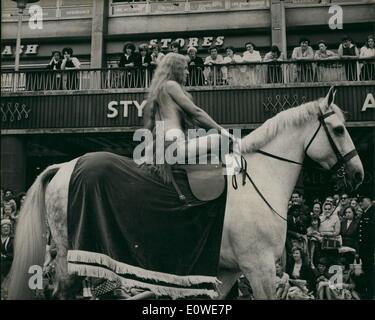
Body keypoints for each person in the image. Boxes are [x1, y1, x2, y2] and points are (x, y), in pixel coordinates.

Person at [142, 53, 236, 184]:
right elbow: (196, 113)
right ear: (176, 69)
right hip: (173, 143)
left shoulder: (160, 89)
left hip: (159, 145)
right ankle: (234, 186)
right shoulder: (171, 85)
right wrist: (225, 132)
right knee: (222, 140)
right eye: (185, 68)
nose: (187, 72)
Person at [358, 196, 374, 299]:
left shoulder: (373, 212)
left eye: (362, 201)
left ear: (369, 200)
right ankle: (368, 291)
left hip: (371, 248)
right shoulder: (366, 213)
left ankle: (371, 293)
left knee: (371, 270)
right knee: (367, 270)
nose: (360, 203)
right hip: (365, 248)